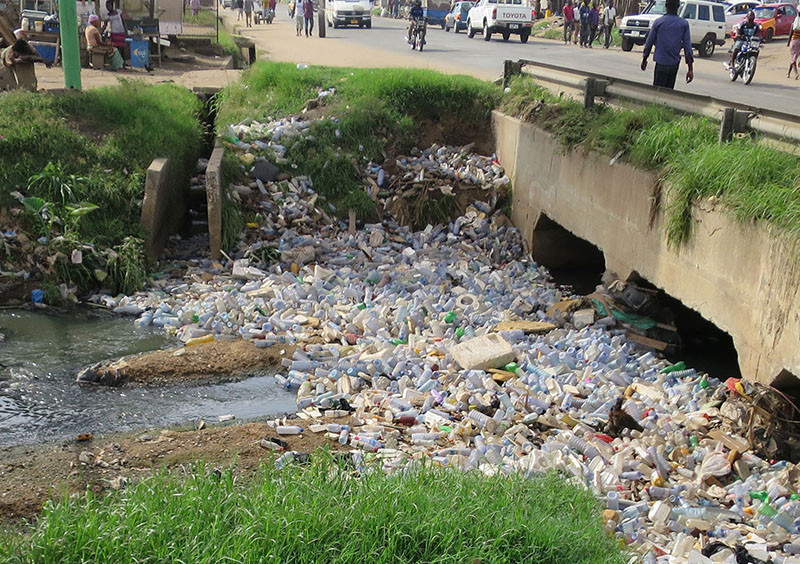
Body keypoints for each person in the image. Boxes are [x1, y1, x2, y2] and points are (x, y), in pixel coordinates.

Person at [641, 0, 693, 89]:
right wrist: (690, 69)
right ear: (678, 6)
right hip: (674, 64)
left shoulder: (658, 22)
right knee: (669, 93)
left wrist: (644, 59)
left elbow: (649, 43)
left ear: (665, 6)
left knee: (657, 92)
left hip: (660, 63)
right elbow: (688, 48)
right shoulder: (684, 24)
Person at [788, 11, 800, 78]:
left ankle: (796, 73)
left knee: (793, 59)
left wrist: (788, 43)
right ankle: (788, 73)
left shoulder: (794, 24)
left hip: (794, 41)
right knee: (793, 58)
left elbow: (790, 34)